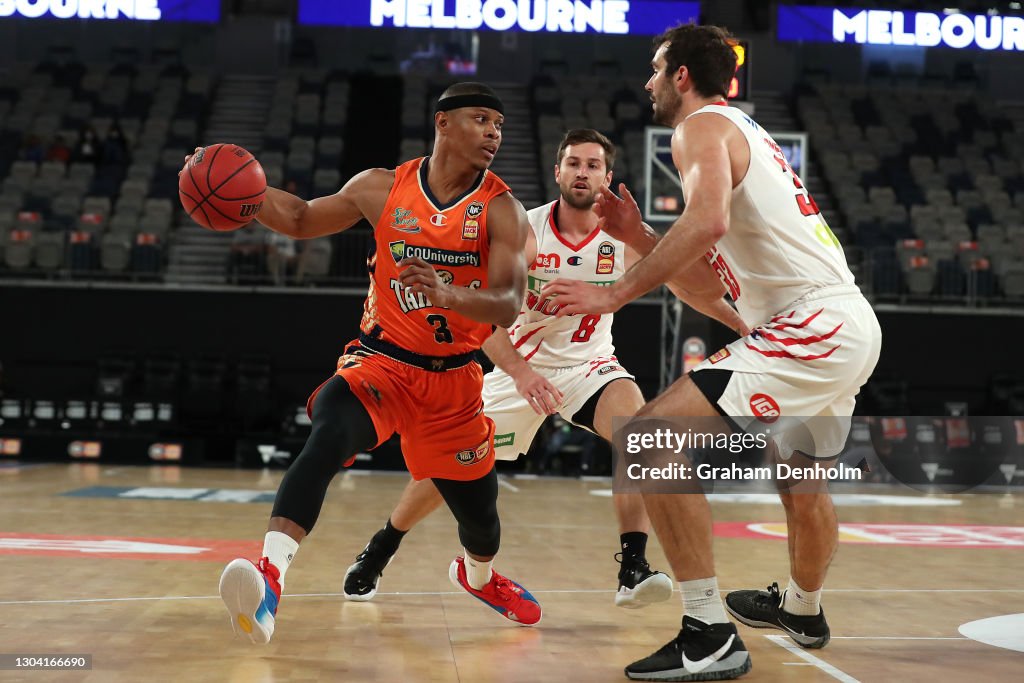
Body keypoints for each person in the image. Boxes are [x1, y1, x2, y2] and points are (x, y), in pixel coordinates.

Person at [543, 24, 882, 681]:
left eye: (654, 69)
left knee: (647, 439)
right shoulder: (745, 136)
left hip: (812, 321)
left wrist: (610, 293)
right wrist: (638, 234)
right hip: (841, 324)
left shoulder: (699, 127)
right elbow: (712, 290)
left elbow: (706, 224)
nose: (646, 83)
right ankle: (804, 610)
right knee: (802, 482)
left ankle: (708, 631)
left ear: (680, 76)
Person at [341, 128, 748, 610]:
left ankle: (633, 568)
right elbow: (482, 320)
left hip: (590, 367)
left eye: (593, 165)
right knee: (445, 467)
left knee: (640, 434)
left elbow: (689, 285)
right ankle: (380, 548)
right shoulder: (524, 229)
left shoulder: (623, 236)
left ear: (608, 177)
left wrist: (743, 325)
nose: (582, 172)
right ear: (557, 172)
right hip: (521, 368)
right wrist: (521, 374)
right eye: (574, 163)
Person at [207, 82, 541, 645]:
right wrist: (239, 188)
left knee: (482, 523)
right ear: (443, 123)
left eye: (499, 125)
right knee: (329, 434)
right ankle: (268, 579)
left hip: (455, 382)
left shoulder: (502, 209)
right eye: (481, 119)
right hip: (382, 363)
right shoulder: (380, 188)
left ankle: (477, 576)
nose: (493, 133)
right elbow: (299, 218)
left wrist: (449, 295)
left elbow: (509, 303)